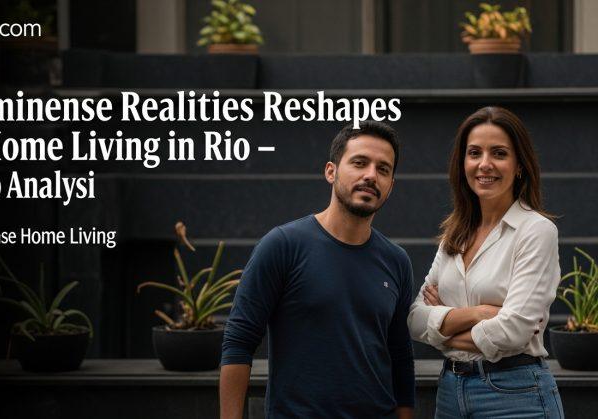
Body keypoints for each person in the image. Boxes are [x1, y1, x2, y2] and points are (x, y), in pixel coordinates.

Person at [219, 121, 415, 419]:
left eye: (383, 169)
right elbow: (239, 341)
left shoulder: (396, 260)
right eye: (359, 163)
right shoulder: (282, 245)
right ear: (331, 171)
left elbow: (401, 355)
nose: (371, 175)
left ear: (391, 186)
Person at [408, 106, 564, 418]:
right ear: (462, 163)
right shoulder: (455, 234)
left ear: (519, 165)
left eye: (499, 153)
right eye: (474, 152)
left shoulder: (536, 231)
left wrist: (442, 330)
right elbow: (414, 319)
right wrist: (479, 313)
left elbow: (514, 331)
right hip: (451, 392)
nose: (485, 164)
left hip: (515, 396)